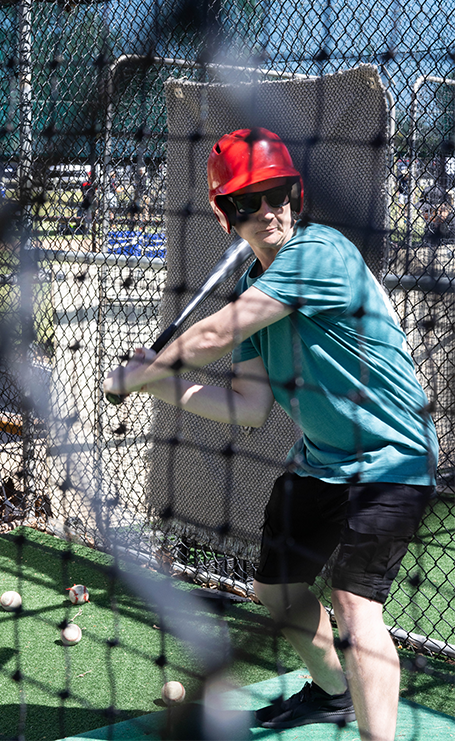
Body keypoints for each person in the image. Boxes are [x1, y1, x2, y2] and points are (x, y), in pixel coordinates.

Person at [104, 127, 438, 741]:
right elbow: (248, 406)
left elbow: (213, 337)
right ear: (225, 214)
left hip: (394, 458)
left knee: (354, 605)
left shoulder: (318, 252)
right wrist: (153, 386)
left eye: (277, 193)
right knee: (277, 589)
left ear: (296, 194)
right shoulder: (254, 287)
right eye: (245, 201)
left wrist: (145, 369)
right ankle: (332, 695)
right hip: (324, 460)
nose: (266, 211)